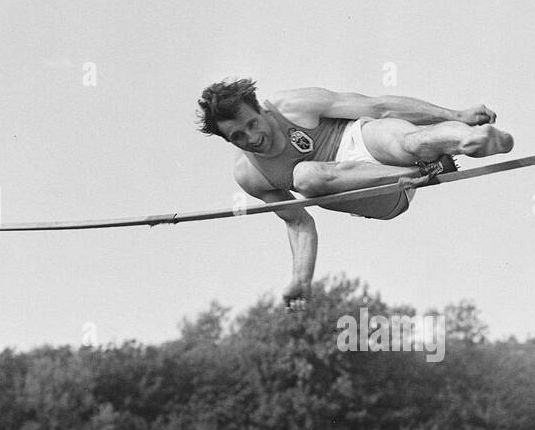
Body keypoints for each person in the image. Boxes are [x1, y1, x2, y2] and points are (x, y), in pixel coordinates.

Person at [197, 78, 513, 309]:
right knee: (305, 175)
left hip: (362, 143)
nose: (253, 138)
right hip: (371, 193)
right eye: (238, 137)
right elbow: (297, 223)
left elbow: (381, 108)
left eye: (253, 124)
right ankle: (422, 171)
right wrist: (302, 279)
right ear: (227, 140)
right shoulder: (250, 174)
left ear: (261, 110)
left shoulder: (294, 105)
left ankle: (471, 140)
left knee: (411, 141)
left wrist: (456, 114)